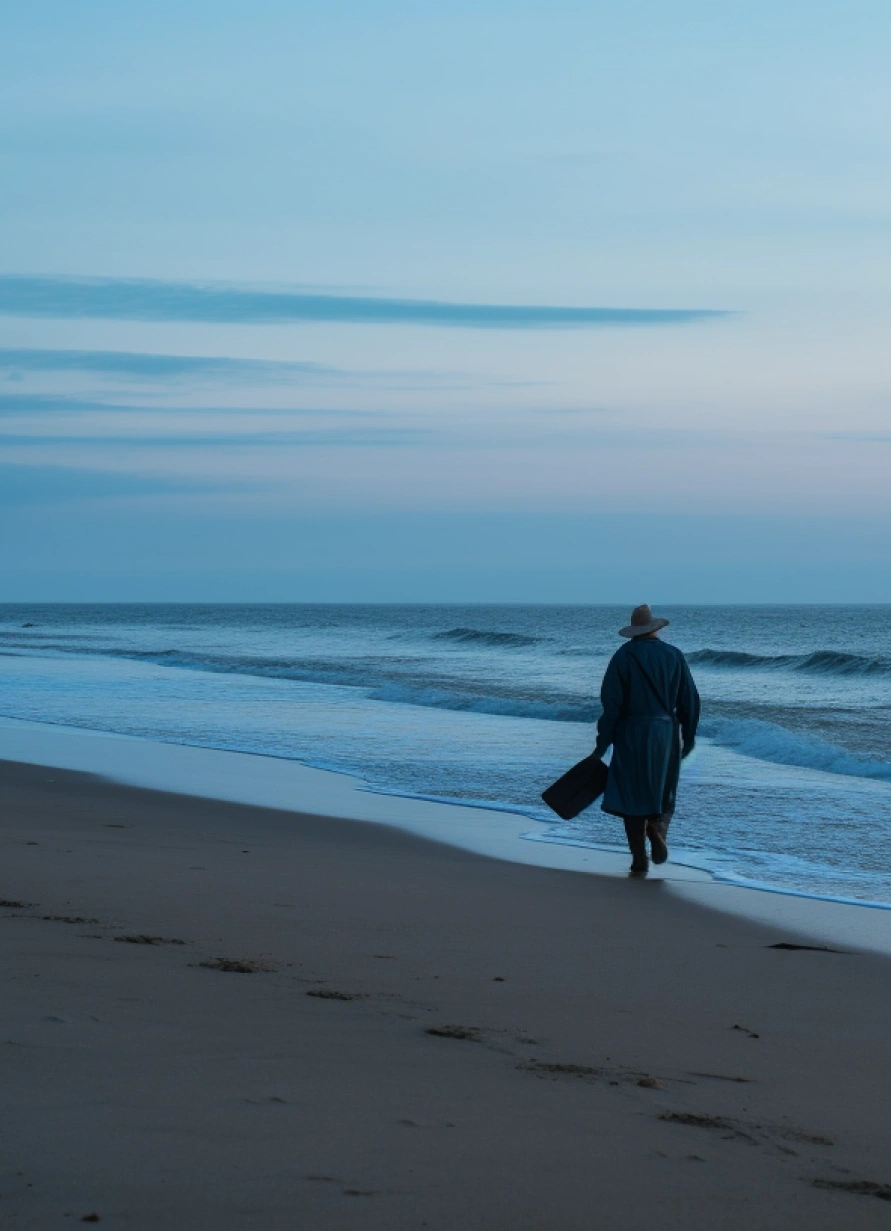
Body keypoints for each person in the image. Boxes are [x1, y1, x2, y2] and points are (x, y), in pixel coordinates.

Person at [593, 605, 700, 877]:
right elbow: (690, 700)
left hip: (631, 731)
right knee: (663, 790)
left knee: (631, 794)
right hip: (665, 733)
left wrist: (603, 741)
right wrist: (689, 735)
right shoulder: (674, 655)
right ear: (656, 629)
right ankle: (657, 828)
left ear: (634, 631)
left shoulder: (623, 656)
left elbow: (611, 703)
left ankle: (638, 856)